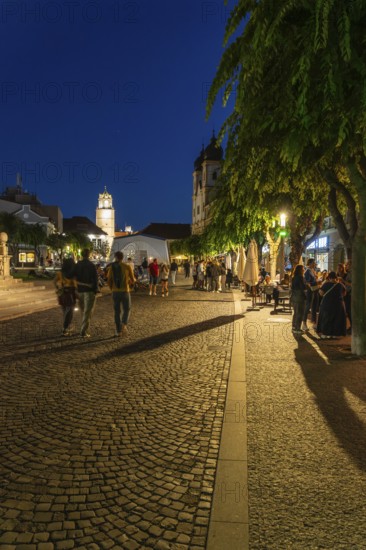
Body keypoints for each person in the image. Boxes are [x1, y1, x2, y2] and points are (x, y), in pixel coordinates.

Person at [107, 251, 135, 336]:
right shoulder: (127, 267)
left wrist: (112, 288)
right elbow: (133, 280)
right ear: (122, 258)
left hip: (115, 292)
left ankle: (118, 331)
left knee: (117, 311)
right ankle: (124, 324)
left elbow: (109, 280)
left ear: (116, 257)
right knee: (127, 309)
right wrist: (130, 285)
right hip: (125, 291)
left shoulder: (112, 267)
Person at [74, 248, 98, 337]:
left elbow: (73, 277)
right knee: (87, 312)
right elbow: (95, 279)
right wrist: (95, 290)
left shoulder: (77, 265)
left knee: (83, 311)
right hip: (89, 291)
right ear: (88, 255)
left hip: (80, 291)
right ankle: (83, 331)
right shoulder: (91, 265)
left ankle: (83, 328)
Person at [316, 271, 347, 338]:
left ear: (329, 277)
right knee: (336, 319)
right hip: (338, 305)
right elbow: (344, 293)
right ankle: (335, 334)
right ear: (336, 277)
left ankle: (326, 333)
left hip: (327, 304)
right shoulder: (340, 285)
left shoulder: (326, 284)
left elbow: (321, 293)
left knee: (326, 318)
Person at [54, 258, 77, 336]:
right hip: (70, 293)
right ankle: (65, 328)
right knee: (69, 310)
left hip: (62, 294)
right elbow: (76, 283)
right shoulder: (73, 273)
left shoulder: (60, 273)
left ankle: (67, 326)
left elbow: (55, 282)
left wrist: (58, 287)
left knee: (66, 311)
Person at [301, 258, 320, 331]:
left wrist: (317, 280)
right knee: (308, 307)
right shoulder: (307, 271)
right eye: (314, 262)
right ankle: (304, 323)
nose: (315, 264)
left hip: (315, 291)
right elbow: (307, 283)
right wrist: (316, 283)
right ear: (311, 263)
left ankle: (314, 322)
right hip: (310, 291)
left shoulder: (312, 271)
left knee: (315, 307)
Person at [291, 264, 307, 334]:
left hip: (294, 296)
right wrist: (307, 286)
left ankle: (294, 327)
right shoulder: (300, 277)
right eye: (303, 269)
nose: (303, 270)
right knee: (300, 313)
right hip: (300, 297)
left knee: (296, 312)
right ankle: (297, 328)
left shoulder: (293, 277)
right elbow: (302, 287)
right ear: (300, 270)